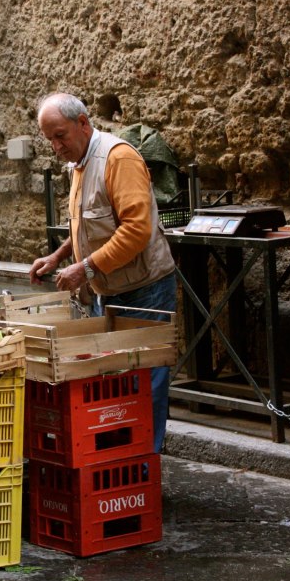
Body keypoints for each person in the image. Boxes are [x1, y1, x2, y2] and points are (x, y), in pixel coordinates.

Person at [29, 92, 177, 453]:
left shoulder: (118, 158)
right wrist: (60, 255)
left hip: (144, 290)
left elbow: (136, 230)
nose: (56, 146)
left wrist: (85, 268)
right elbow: (88, 225)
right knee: (114, 385)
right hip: (108, 291)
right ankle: (118, 463)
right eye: (49, 139)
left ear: (83, 123)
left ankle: (143, 470)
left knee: (144, 385)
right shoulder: (80, 163)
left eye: (60, 135)